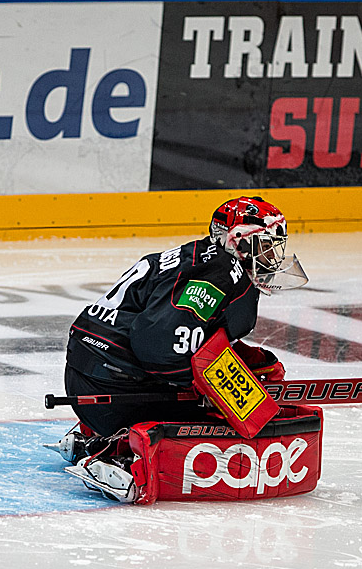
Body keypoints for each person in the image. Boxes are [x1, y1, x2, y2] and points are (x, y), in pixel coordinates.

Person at [45, 196, 309, 501]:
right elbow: (158, 348)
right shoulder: (221, 275)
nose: (271, 258)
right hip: (112, 389)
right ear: (238, 242)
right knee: (213, 416)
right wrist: (212, 388)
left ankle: (92, 435)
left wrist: (241, 358)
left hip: (93, 376)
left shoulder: (201, 257)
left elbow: (185, 333)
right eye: (265, 246)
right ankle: (118, 455)